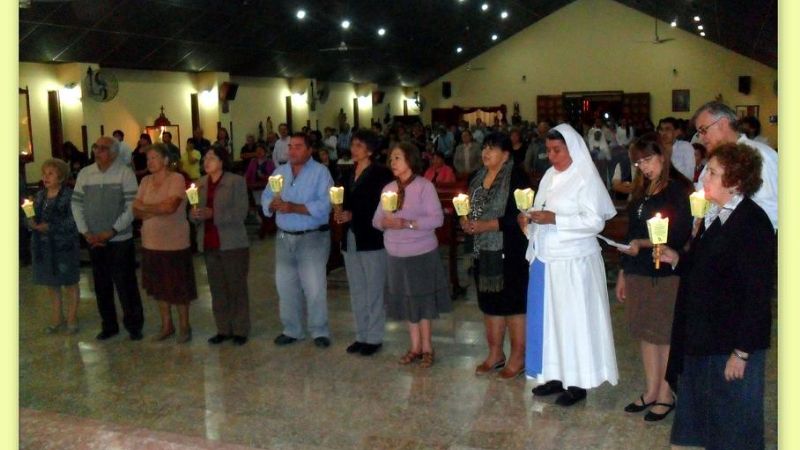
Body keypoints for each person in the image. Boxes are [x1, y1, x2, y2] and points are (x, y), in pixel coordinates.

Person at [659, 143, 775, 450]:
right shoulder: (713, 213)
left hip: (730, 342)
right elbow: (705, 270)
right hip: (702, 338)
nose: (703, 179)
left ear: (735, 182)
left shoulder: (752, 223)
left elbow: (757, 294)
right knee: (698, 427)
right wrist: (677, 259)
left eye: (711, 173)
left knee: (733, 429)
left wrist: (742, 352)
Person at [521, 124, 618, 406]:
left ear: (572, 148)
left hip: (575, 263)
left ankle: (576, 382)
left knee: (573, 322)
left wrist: (555, 220)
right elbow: (541, 211)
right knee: (550, 320)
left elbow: (595, 221)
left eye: (557, 150)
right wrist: (528, 221)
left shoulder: (585, 177)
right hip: (547, 260)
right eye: (548, 150)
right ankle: (553, 375)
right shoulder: (549, 176)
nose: (551, 156)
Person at [614, 134, 693, 421]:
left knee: (664, 333)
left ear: (662, 155)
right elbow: (630, 232)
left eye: (648, 160)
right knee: (645, 332)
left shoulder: (677, 189)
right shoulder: (641, 190)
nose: (643, 167)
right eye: (638, 162)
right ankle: (651, 389)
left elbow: (679, 233)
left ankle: (666, 392)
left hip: (665, 271)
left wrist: (643, 244)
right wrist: (623, 270)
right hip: (638, 270)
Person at [372, 142, 451, 368]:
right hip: (395, 253)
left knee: (422, 300)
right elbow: (376, 220)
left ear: (410, 159)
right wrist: (384, 222)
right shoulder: (388, 188)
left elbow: (437, 219)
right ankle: (414, 346)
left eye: (397, 157)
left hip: (420, 252)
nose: (392, 162)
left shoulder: (424, 186)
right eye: (391, 158)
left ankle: (427, 347)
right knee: (406, 301)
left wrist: (407, 223)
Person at [462, 133, 530, 379]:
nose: (486, 152)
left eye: (492, 148)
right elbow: (469, 208)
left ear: (506, 154)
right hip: (484, 250)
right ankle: (495, 354)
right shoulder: (477, 177)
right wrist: (466, 221)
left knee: (512, 304)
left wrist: (486, 225)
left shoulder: (516, 177)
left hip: (510, 249)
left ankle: (518, 357)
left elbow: (521, 215)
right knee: (489, 303)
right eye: (484, 148)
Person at [262, 133, 334, 348]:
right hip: (284, 237)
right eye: (290, 146)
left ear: (309, 150)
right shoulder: (280, 172)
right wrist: (272, 205)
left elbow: (325, 205)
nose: (292, 151)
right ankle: (292, 329)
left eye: (298, 147)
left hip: (311, 237)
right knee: (285, 286)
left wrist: (294, 207)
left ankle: (319, 330)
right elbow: (266, 196)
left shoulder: (321, 173)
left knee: (314, 287)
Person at [71, 136, 144, 341]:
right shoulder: (86, 173)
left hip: (119, 239)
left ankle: (134, 325)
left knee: (125, 283)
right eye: (96, 147)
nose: (97, 151)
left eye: (102, 148)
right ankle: (109, 325)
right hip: (94, 238)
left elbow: (132, 206)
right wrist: (85, 232)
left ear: (113, 152)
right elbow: (76, 204)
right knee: (101, 284)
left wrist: (112, 231)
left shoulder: (124, 173)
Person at [333, 129, 394, 357]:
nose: (353, 149)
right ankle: (360, 334)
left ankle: (374, 337)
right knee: (357, 289)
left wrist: (353, 215)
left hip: (372, 237)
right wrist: (339, 210)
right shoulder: (348, 172)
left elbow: (381, 206)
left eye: (358, 145)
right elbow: (344, 199)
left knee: (374, 289)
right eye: (353, 145)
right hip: (351, 238)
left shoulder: (381, 174)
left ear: (369, 149)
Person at [133, 144, 197, 343]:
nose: (150, 162)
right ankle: (166, 324)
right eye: (148, 158)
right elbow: (135, 210)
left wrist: (147, 210)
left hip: (174, 242)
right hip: (151, 242)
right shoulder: (145, 181)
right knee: (159, 286)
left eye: (154, 158)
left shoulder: (176, 179)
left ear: (166, 160)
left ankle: (184, 325)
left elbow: (170, 207)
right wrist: (154, 209)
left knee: (178, 286)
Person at [191, 147, 252, 345]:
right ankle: (223, 328)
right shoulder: (199, 184)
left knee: (236, 287)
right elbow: (192, 212)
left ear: (222, 161)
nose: (206, 161)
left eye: (211, 158)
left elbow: (241, 212)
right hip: (209, 242)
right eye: (205, 158)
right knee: (217, 289)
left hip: (232, 242)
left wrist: (213, 214)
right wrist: (194, 216)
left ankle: (240, 329)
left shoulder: (236, 181)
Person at [693, 101, 777, 231]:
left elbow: (771, 213)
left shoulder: (759, 157)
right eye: (699, 133)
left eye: (703, 130)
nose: (700, 139)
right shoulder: (715, 160)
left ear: (723, 123)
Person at [29, 159, 81, 334]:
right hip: (44, 247)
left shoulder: (69, 195)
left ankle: (72, 317)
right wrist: (30, 221)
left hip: (64, 245)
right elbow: (31, 216)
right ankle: (57, 317)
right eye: (44, 174)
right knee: (52, 284)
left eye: (50, 173)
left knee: (70, 283)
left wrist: (51, 227)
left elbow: (74, 220)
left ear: (61, 176)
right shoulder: (40, 196)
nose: (46, 177)